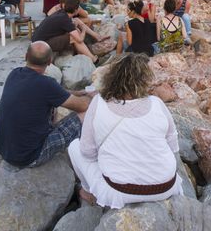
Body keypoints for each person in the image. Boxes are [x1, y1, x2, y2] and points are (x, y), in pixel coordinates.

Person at [68, 53, 183, 207]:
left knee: (74, 147)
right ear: (144, 80)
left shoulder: (98, 102)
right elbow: (173, 146)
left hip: (121, 191)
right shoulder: (157, 103)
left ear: (112, 77)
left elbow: (87, 152)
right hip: (165, 186)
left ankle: (88, 191)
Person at [0, 41, 93, 168]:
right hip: (30, 156)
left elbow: (55, 93)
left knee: (52, 106)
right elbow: (83, 106)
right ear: (49, 61)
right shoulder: (46, 84)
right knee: (87, 113)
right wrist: (93, 96)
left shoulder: (14, 74)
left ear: (25, 57)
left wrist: (79, 92)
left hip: (5, 151)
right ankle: (89, 154)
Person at [32, 0, 98, 63]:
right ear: (76, 10)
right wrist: (84, 30)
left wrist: (75, 27)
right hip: (41, 44)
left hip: (37, 39)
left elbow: (71, 29)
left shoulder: (61, 13)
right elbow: (79, 39)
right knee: (74, 38)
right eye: (79, 8)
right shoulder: (65, 19)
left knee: (74, 34)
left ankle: (82, 54)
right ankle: (93, 59)